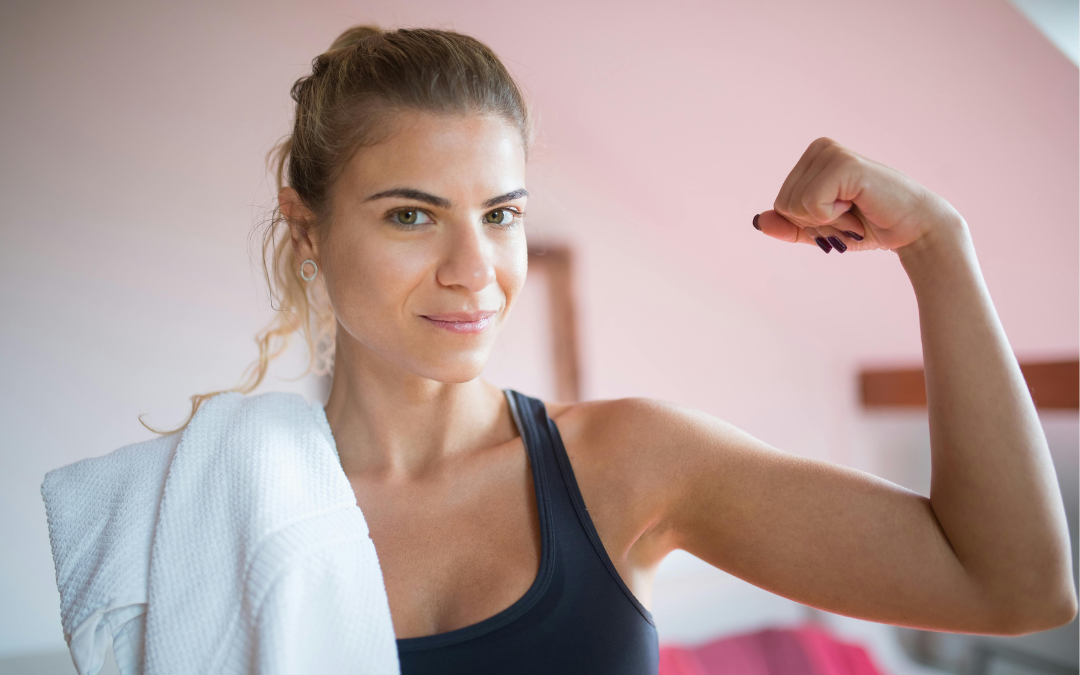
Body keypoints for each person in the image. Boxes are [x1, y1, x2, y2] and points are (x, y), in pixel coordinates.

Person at [45, 24, 1076, 675]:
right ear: (307, 226)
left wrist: (938, 244)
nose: (474, 269)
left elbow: (1014, 587)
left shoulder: (629, 464)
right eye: (411, 216)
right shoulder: (206, 510)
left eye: (500, 214)